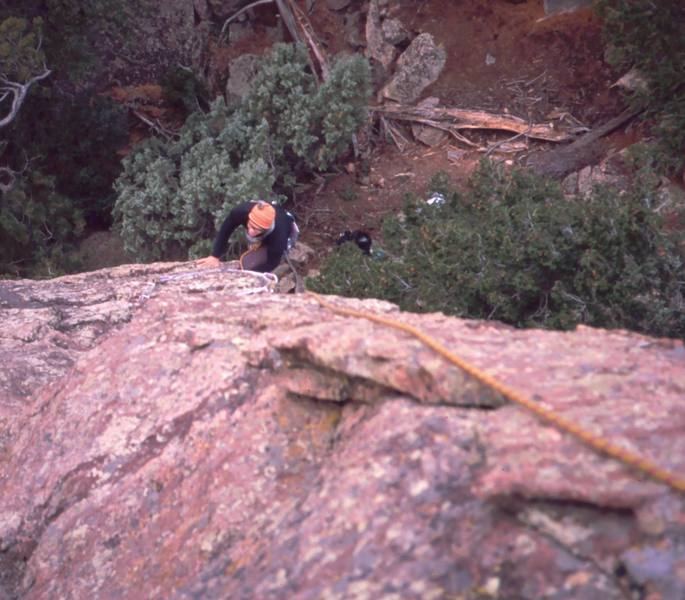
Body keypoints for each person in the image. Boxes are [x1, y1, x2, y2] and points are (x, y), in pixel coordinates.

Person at [197, 200, 298, 273]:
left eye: (257, 229)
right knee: (254, 240)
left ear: (265, 229)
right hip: (271, 212)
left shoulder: (278, 237)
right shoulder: (241, 212)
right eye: (251, 225)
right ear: (249, 217)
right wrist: (215, 256)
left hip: (285, 224)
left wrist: (251, 274)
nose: (251, 231)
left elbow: (272, 263)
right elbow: (225, 230)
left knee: (275, 251)